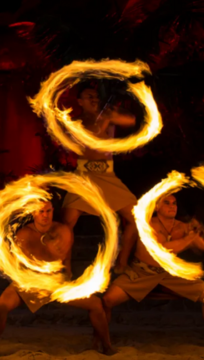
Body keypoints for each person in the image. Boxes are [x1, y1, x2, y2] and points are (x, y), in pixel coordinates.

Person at [0, 200, 116, 357]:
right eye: (40, 211)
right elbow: (17, 267)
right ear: (33, 213)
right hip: (30, 282)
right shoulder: (24, 234)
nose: (45, 215)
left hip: (55, 283)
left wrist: (64, 281)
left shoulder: (63, 231)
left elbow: (67, 264)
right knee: (1, 307)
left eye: (48, 211)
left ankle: (106, 347)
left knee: (95, 304)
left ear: (53, 211)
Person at [102, 195, 204, 351]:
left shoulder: (182, 227)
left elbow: (202, 248)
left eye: (174, 203)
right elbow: (160, 249)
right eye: (167, 203)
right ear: (157, 207)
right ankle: (102, 343)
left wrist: (199, 231)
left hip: (170, 274)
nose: (172, 206)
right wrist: (188, 240)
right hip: (142, 272)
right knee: (107, 300)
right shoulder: (146, 224)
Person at [61, 83, 138, 272]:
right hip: (84, 177)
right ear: (80, 101)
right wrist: (104, 119)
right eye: (89, 96)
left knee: (137, 218)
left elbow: (131, 121)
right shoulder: (75, 123)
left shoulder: (108, 117)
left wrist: (113, 112)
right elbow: (91, 139)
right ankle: (66, 267)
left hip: (107, 175)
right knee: (67, 223)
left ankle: (122, 263)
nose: (94, 99)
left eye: (96, 95)